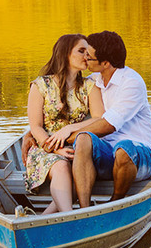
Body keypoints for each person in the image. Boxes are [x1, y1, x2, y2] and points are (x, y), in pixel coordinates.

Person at [52, 30, 151, 207]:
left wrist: (65, 139)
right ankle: (84, 209)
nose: (85, 58)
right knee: (84, 138)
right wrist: (32, 134)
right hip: (106, 152)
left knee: (123, 149)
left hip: (140, 152)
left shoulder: (132, 82)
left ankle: (115, 202)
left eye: (90, 56)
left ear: (105, 63)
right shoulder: (93, 81)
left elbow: (108, 125)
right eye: (84, 53)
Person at [23, 34, 103, 214]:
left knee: (79, 168)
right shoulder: (40, 85)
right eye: (81, 51)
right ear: (66, 54)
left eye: (88, 51)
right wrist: (53, 148)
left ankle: (43, 217)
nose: (87, 56)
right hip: (45, 148)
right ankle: (69, 216)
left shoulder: (89, 86)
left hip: (77, 145)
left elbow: (99, 119)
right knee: (61, 166)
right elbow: (35, 126)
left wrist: (69, 129)